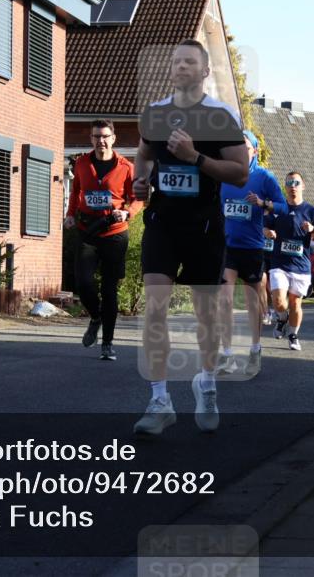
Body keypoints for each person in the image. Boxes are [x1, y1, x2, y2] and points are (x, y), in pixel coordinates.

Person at [131, 39, 248, 436]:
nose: (181, 67)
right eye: (176, 61)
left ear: (204, 72)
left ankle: (206, 381)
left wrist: (195, 158)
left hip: (204, 226)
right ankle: (159, 400)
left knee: (207, 315)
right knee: (155, 309)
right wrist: (139, 179)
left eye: (189, 62)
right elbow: (143, 153)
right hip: (163, 221)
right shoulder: (157, 113)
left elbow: (240, 173)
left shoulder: (222, 117)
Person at [64, 120, 142, 361]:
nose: (101, 141)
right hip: (88, 230)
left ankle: (107, 343)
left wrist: (127, 212)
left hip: (114, 233)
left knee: (109, 290)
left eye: (105, 136)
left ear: (113, 138)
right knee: (84, 282)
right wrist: (69, 215)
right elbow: (76, 192)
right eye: (97, 137)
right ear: (91, 139)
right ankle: (95, 318)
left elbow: (137, 198)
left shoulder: (126, 167)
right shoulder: (81, 163)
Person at [217, 129, 287, 377]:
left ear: (254, 151)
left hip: (253, 247)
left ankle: (255, 349)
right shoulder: (223, 175)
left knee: (251, 302)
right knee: (224, 299)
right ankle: (226, 355)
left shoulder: (264, 177)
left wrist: (263, 203)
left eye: (244, 147)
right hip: (228, 246)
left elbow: (283, 206)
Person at [264, 172, 314, 350]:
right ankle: (282, 317)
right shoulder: (278, 208)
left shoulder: (311, 211)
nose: (293, 186)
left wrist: (313, 229)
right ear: (285, 187)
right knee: (279, 301)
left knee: (295, 303)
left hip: (301, 266)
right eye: (289, 183)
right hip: (280, 264)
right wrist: (267, 232)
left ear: (303, 186)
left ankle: (293, 334)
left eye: (296, 182)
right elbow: (264, 226)